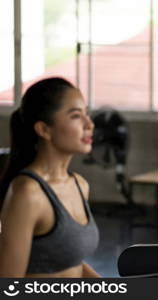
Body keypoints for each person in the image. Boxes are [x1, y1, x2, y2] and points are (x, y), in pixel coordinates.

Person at [0, 77, 100, 277]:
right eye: (75, 116)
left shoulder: (80, 185)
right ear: (44, 130)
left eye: (86, 114)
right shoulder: (28, 193)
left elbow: (71, 263)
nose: (89, 124)